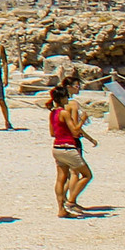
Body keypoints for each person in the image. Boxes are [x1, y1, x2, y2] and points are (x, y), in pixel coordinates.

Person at [49, 81, 94, 217]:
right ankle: (71, 201)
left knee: (60, 179)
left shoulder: (52, 113)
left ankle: (61, 209)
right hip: (68, 147)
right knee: (87, 175)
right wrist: (82, 120)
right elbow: (75, 132)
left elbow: (52, 133)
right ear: (63, 99)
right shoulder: (64, 113)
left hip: (57, 147)